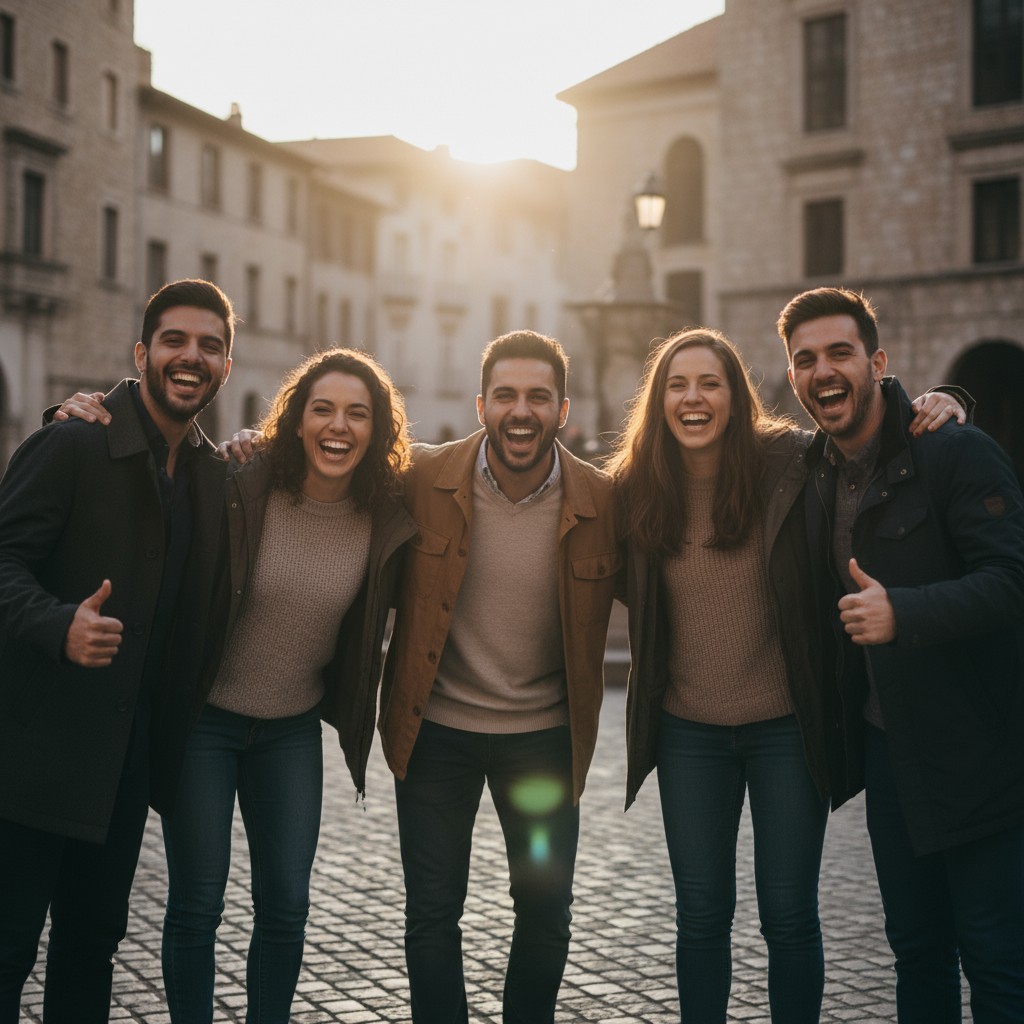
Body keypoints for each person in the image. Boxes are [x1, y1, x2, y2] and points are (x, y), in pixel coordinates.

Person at [605, 326, 966, 1024]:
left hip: (784, 732)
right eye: (677, 385)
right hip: (688, 735)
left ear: (736, 397)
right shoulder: (634, 487)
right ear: (659, 401)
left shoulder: (795, 464)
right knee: (701, 916)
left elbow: (878, 438)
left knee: (790, 917)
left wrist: (947, 399)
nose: (693, 397)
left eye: (710, 382)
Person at [53, 348, 416, 1024]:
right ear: (297, 421)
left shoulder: (386, 514)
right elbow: (160, 469)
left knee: (287, 903)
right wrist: (74, 414)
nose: (339, 426)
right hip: (206, 725)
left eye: (358, 414)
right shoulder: (241, 482)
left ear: (376, 430)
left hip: (290, 729)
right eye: (324, 409)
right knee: (198, 901)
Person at [778, 286, 1024, 1024]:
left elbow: (1012, 581)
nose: (824, 371)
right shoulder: (812, 469)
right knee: (916, 951)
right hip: (892, 755)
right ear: (793, 378)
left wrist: (904, 613)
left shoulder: (953, 449)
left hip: (982, 750)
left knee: (995, 957)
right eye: (805, 360)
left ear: (877, 362)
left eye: (840, 353)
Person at [0, 279, 234, 1024]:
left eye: (209, 346)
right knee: (5, 950)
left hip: (122, 770)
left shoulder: (210, 477)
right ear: (142, 354)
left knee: (89, 950)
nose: (190, 357)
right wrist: (56, 621)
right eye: (174, 341)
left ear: (226, 366)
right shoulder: (71, 441)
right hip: (29, 757)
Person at [381, 330, 619, 1024]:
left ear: (563, 410)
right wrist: (250, 441)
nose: (522, 411)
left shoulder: (603, 501)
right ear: (482, 403)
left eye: (539, 397)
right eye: (507, 396)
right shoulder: (422, 478)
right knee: (432, 913)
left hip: (542, 744)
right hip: (437, 741)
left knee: (545, 910)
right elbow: (328, 470)